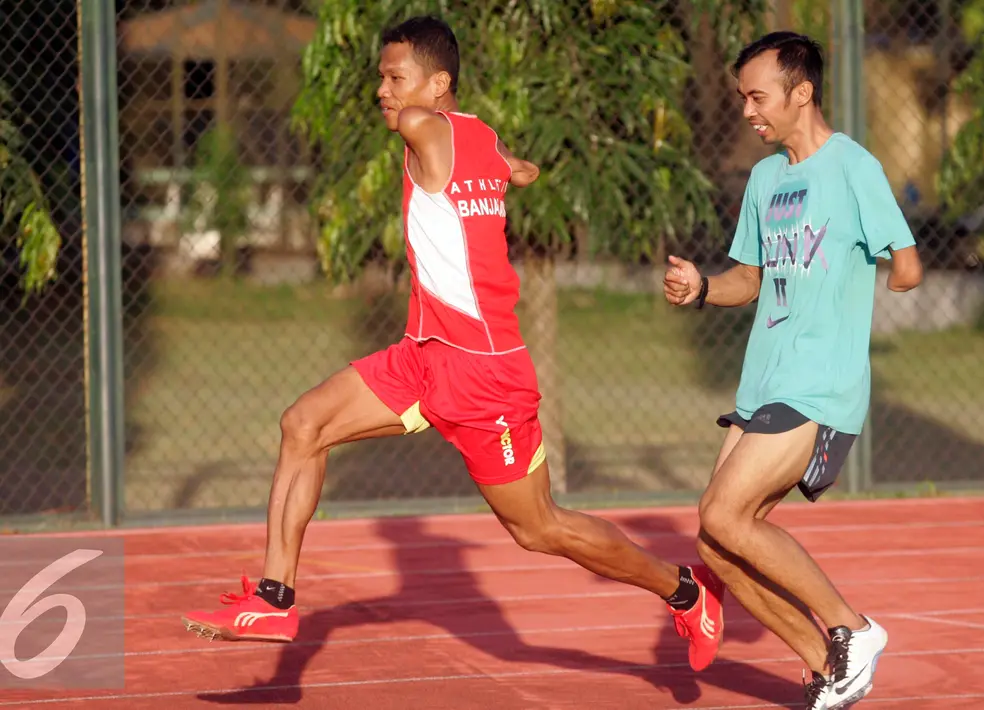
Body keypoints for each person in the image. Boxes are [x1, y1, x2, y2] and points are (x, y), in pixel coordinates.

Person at [182, 15, 726, 674]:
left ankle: (685, 590)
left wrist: (497, 162)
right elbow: (511, 166)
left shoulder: (421, 127)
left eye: (394, 77)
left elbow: (463, 144)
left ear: (439, 85)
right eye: (380, 78)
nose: (381, 91)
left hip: (483, 373)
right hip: (421, 355)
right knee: (303, 424)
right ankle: (274, 598)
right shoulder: (479, 134)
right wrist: (514, 170)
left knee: (539, 529)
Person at [662, 31, 923, 710]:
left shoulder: (852, 167)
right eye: (741, 97)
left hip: (820, 381)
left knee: (722, 511)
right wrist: (701, 289)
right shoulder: (764, 179)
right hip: (763, 382)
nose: (748, 110)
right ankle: (826, 667)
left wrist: (890, 277)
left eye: (758, 96)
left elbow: (907, 261)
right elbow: (746, 279)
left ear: (800, 92)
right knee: (717, 543)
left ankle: (851, 628)